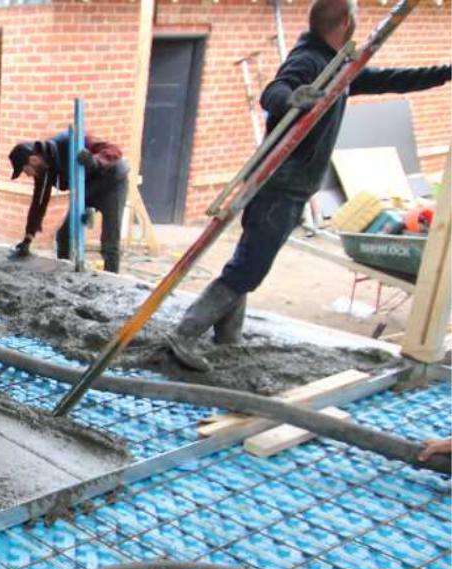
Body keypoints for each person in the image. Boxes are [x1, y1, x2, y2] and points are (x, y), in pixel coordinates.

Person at [166, 0, 451, 373]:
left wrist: (444, 73)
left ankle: (227, 337)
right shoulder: (310, 60)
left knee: (250, 257)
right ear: (345, 22)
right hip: (279, 183)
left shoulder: (336, 66)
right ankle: (185, 334)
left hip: (290, 183)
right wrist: (291, 99)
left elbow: (389, 79)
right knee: (251, 265)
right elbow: (274, 90)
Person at [7, 133, 129, 273]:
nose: (28, 175)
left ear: (33, 159)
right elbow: (38, 203)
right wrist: (28, 239)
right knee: (64, 236)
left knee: (110, 243)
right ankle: (65, 274)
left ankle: (110, 279)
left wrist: (95, 161)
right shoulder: (43, 170)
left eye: (25, 170)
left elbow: (114, 150)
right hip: (87, 188)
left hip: (112, 183)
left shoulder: (70, 141)